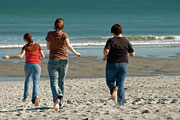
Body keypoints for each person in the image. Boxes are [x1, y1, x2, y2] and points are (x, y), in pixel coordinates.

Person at [46, 18, 81, 111]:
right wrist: (76, 53)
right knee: (61, 81)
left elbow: (48, 47)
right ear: (63, 26)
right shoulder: (64, 35)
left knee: (53, 82)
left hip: (53, 59)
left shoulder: (49, 34)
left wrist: (53, 45)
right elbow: (68, 46)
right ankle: (60, 103)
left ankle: (57, 100)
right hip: (64, 60)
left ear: (54, 25)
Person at [2, 33, 45, 106]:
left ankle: (25, 97)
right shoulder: (38, 46)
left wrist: (9, 57)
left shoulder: (25, 47)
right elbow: (43, 56)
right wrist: (40, 59)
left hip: (28, 65)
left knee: (27, 80)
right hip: (37, 65)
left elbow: (20, 56)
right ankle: (36, 96)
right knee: (36, 82)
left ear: (25, 39)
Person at [103, 24, 135, 105]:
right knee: (120, 84)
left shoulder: (111, 40)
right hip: (124, 64)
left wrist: (105, 56)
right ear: (121, 31)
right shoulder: (126, 41)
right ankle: (121, 103)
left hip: (112, 63)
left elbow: (106, 50)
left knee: (109, 81)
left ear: (113, 32)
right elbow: (132, 54)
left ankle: (113, 88)